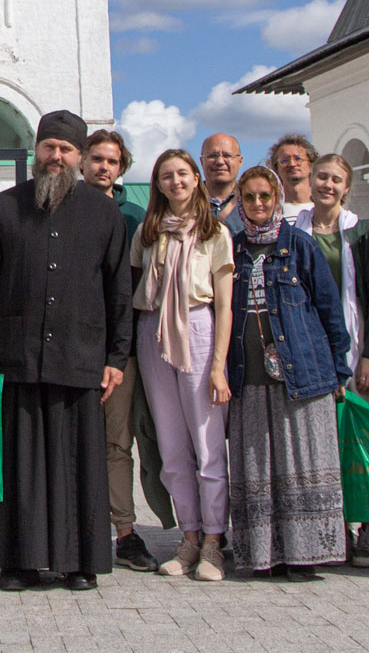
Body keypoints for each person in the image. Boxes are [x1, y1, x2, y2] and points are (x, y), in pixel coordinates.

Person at [0, 111, 132, 592]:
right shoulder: (4, 207)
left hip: (80, 355)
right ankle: (17, 562)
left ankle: (77, 563)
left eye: (65, 150)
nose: (56, 157)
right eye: (49, 148)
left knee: (78, 465)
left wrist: (116, 358)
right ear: (35, 152)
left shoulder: (104, 214)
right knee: (19, 464)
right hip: (17, 354)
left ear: (80, 157)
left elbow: (118, 290)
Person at [225, 165, 350, 580]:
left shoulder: (300, 245)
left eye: (265, 196)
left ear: (277, 199)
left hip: (303, 376)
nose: (258, 204)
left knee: (301, 464)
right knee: (259, 467)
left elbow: (330, 309)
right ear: (239, 202)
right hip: (249, 376)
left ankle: (304, 556)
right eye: (249, 197)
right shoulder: (232, 248)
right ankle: (264, 554)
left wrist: (339, 369)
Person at [132, 147, 234, 582]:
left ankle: (214, 541)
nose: (175, 182)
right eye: (166, 176)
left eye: (182, 174)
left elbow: (225, 305)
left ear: (196, 179)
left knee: (208, 447)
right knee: (172, 447)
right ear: (157, 185)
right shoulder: (148, 232)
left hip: (197, 327)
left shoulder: (215, 233)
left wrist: (218, 365)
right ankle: (189, 537)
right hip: (153, 333)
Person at [294, 153, 369, 567]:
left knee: (362, 439)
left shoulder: (362, 232)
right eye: (321, 177)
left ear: (347, 187)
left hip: (353, 339)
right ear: (309, 180)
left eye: (336, 179)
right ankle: (335, 529)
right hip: (308, 345)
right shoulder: (294, 229)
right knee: (322, 441)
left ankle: (368, 528)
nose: (327, 185)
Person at [81, 129, 158, 572]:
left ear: (121, 167)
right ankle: (75, 527)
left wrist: (121, 352)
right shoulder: (63, 210)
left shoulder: (135, 217)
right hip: (74, 350)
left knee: (116, 444)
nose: (103, 167)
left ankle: (124, 532)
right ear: (83, 162)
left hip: (118, 352)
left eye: (111, 161)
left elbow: (138, 288)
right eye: (96, 159)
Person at [267, 134, 318, 227]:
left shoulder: (322, 208)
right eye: (284, 160)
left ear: (311, 165)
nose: (292, 164)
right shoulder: (269, 212)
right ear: (276, 169)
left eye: (298, 159)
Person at [200, 133, 245, 222]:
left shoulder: (251, 200)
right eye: (213, 155)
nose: (220, 161)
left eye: (227, 155)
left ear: (240, 161)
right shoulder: (188, 201)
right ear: (202, 162)